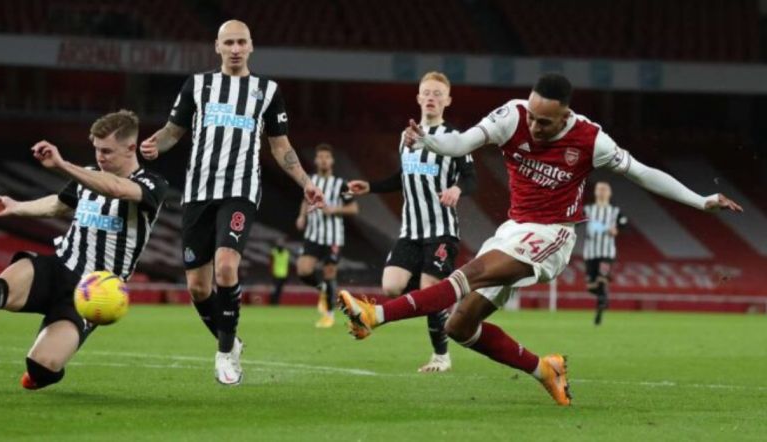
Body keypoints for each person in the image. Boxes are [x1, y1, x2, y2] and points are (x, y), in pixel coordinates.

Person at [338, 73, 743, 406]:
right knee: (461, 327)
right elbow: (463, 142)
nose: (533, 126)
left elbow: (642, 173)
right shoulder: (512, 116)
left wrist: (700, 200)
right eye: (532, 117)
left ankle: (377, 316)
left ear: (565, 115)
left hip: (553, 234)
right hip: (514, 229)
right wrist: (429, 141)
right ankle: (544, 369)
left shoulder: (590, 139)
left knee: (472, 272)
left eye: (544, 122)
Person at [139, 20, 324, 386]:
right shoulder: (197, 85)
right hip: (198, 193)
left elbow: (280, 146)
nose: (236, 49)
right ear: (218, 47)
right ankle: (231, 340)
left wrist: (306, 182)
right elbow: (173, 132)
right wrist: (153, 145)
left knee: (226, 267)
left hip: (240, 191)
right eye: (229, 43)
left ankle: (224, 355)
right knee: (198, 287)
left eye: (241, 42)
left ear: (251, 46)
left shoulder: (267, 91)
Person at [0, 110, 169, 390]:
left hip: (91, 291)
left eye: (107, 151)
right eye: (96, 149)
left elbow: (117, 189)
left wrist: (61, 165)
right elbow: (58, 204)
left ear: (130, 147)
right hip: (58, 267)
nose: (100, 157)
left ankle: (39, 373)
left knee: (42, 366)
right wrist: (17, 207)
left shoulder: (152, 184)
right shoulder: (89, 174)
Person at [347, 71, 475, 372]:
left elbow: (471, 178)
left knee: (429, 289)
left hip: (441, 230)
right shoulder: (406, 138)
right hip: (411, 231)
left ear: (447, 100)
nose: (431, 97)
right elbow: (403, 177)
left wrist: (457, 189)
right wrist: (371, 186)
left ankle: (441, 356)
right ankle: (440, 295)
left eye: (437, 94)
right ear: (418, 98)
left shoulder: (455, 139)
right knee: (391, 286)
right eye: (426, 92)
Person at [296, 143, 359, 328]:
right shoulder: (310, 181)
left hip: (333, 237)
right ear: (316, 160)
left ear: (332, 161)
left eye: (327, 157)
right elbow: (305, 200)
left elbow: (354, 208)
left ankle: (329, 315)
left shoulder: (341, 184)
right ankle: (323, 288)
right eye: (320, 157)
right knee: (303, 270)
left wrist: (334, 209)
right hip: (313, 235)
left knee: (329, 272)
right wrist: (301, 216)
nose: (323, 160)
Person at [583, 181, 627, 325]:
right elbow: (575, 221)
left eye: (605, 189)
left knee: (602, 279)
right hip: (590, 253)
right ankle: (604, 298)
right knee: (591, 287)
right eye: (599, 189)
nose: (602, 191)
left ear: (609, 193)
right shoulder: (587, 210)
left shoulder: (615, 211)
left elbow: (624, 224)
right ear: (595, 192)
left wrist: (616, 230)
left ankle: (599, 312)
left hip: (606, 253)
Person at [269, 237, 290, 306]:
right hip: (276, 274)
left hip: (283, 274)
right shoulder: (274, 252)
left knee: (279, 290)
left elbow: (287, 264)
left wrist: (287, 274)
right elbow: (271, 262)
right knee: (275, 289)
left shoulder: (286, 253)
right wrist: (271, 271)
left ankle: (276, 302)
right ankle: (273, 302)